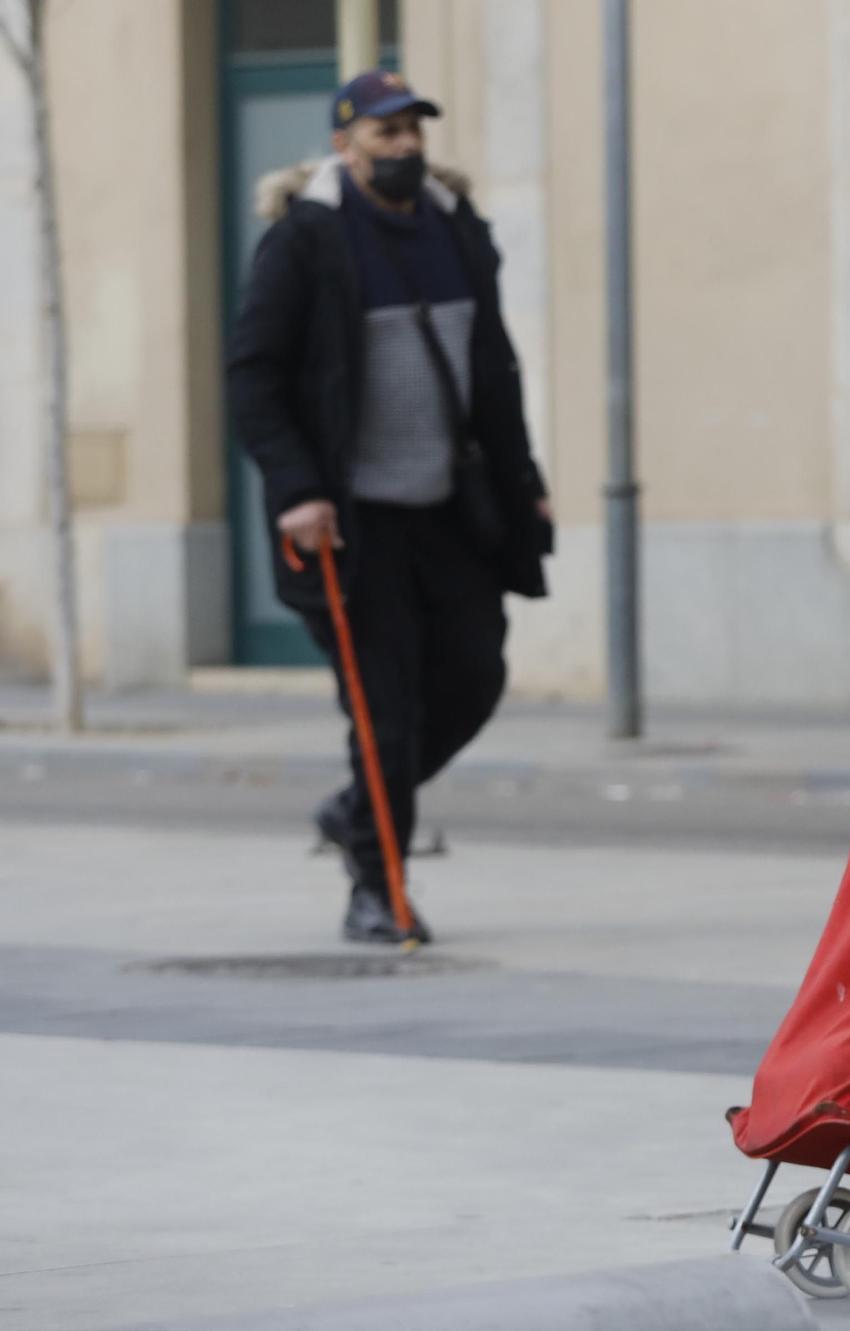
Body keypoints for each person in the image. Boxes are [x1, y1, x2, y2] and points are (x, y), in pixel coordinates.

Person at [228, 69, 552, 945]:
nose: (405, 147)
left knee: (476, 676)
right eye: (385, 134)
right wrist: (298, 490)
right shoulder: (306, 241)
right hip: (352, 522)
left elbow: (493, 370)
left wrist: (525, 481)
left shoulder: (457, 230)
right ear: (346, 147)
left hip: (448, 510)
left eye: (413, 131)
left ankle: (355, 808)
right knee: (386, 709)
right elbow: (253, 375)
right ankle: (377, 889)